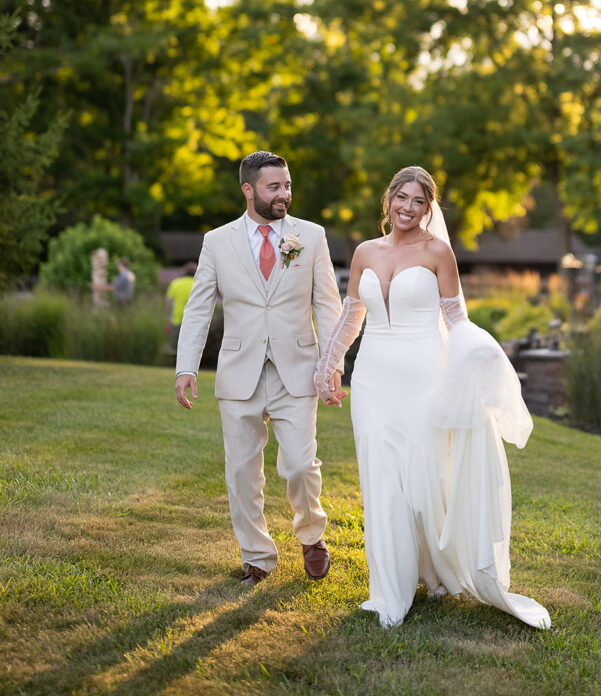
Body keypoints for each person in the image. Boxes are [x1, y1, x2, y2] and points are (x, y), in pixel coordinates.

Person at [314, 166, 550, 630]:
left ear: (429, 207)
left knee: (423, 484)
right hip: (373, 382)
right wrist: (329, 365)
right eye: (401, 197)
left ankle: (436, 571)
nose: (407, 207)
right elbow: (350, 317)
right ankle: (389, 593)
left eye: (418, 201)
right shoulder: (364, 252)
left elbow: (456, 318)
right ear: (388, 200)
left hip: (424, 377)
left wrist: (480, 351)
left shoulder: (439, 252)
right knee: (381, 482)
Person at [175, 151, 342, 587]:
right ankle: (257, 556)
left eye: (287, 185)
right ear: (248, 190)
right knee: (241, 471)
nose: (284, 194)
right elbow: (198, 309)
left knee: (302, 464)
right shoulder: (217, 241)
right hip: (239, 370)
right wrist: (185, 367)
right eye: (274, 187)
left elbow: (328, 303)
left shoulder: (311, 235)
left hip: (298, 368)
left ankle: (311, 535)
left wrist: (332, 364)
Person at [165, 262, 197, 354]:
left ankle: (173, 363)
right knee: (190, 346)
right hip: (193, 319)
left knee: (173, 346)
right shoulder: (197, 284)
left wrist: (166, 316)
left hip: (176, 317)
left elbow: (168, 302)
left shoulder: (175, 283)